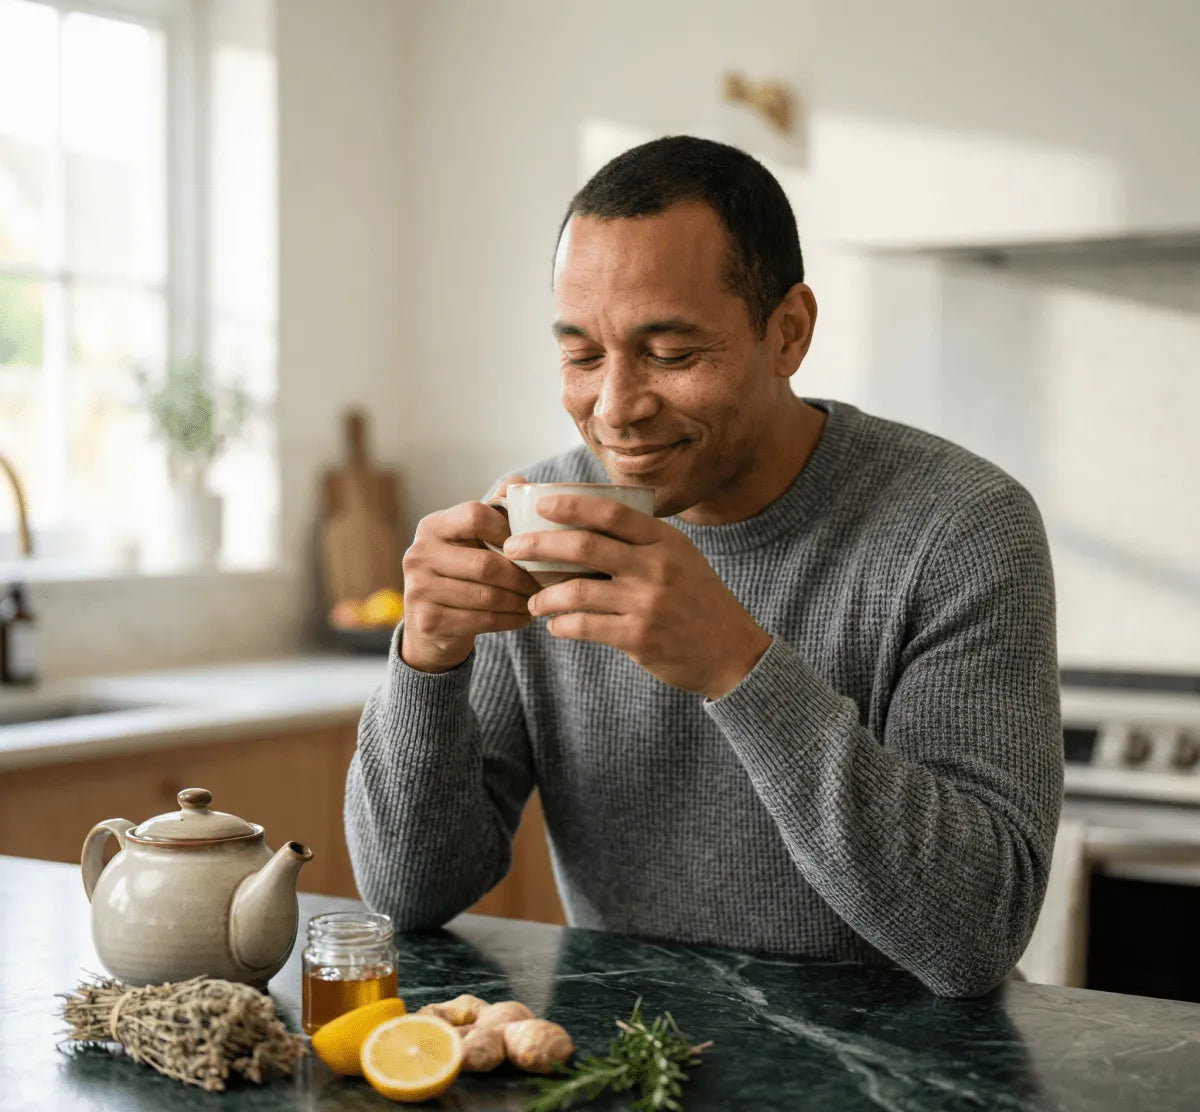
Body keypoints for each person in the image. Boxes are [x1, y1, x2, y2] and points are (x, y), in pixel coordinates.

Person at [345, 135, 1063, 998]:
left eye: (672, 354)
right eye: (581, 355)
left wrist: (736, 667)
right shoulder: (544, 524)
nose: (615, 409)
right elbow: (407, 894)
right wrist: (426, 659)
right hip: (635, 1073)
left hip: (914, 1087)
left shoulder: (960, 528)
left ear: (788, 333)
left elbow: (973, 936)